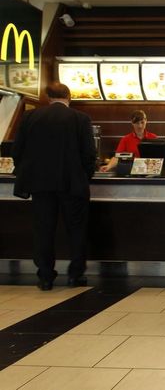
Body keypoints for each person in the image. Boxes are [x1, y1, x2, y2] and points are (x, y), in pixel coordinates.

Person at [12, 82, 97, 290]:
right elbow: (89, 154)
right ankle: (75, 275)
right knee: (76, 229)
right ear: (69, 97)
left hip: (40, 184)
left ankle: (45, 276)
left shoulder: (30, 118)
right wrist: (85, 175)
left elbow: (17, 151)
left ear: (48, 97)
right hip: (72, 184)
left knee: (43, 229)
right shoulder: (80, 119)